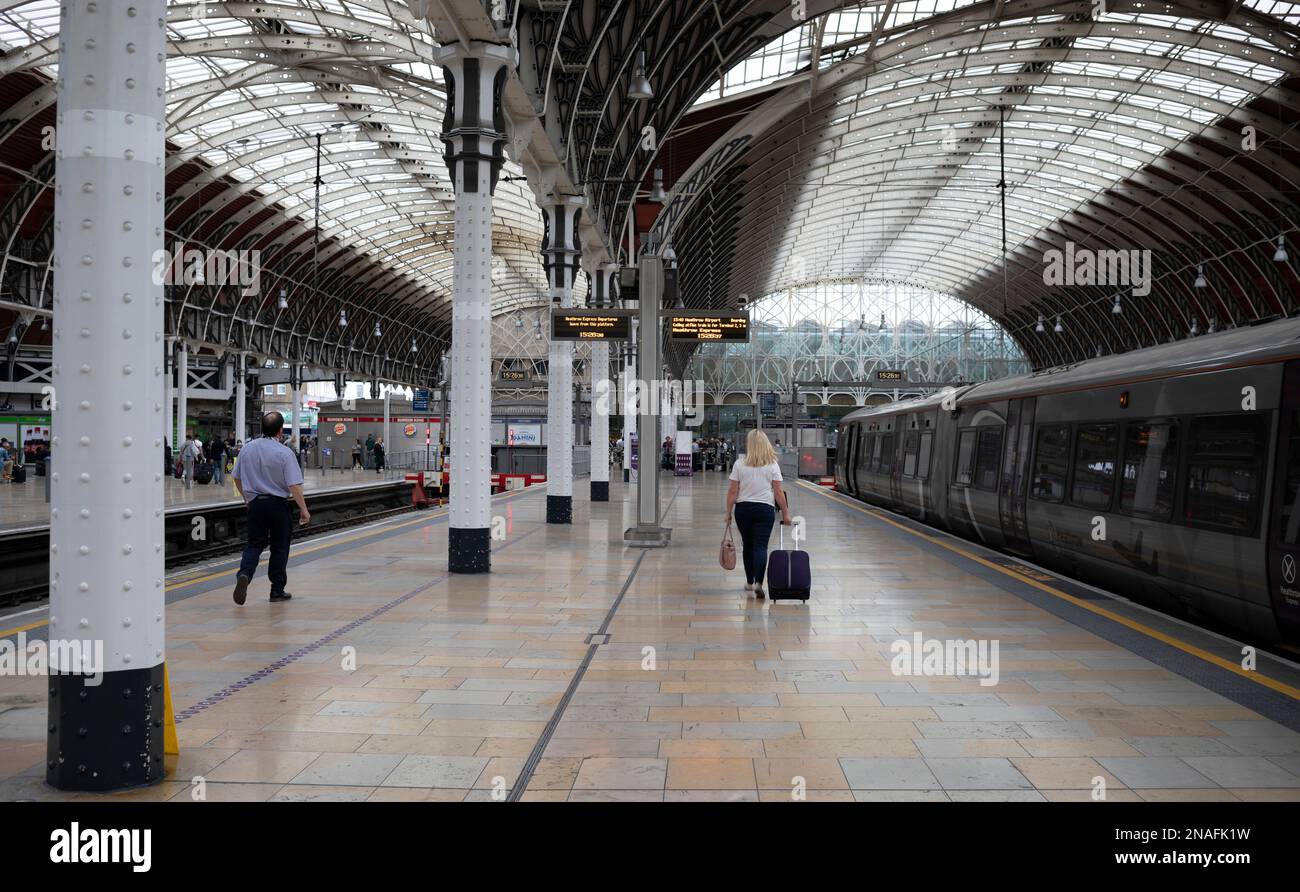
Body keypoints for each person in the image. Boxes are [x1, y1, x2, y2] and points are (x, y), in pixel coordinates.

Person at [231, 412, 310, 605]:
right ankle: (276, 590)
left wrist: (247, 499)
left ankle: (245, 574)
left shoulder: (247, 449)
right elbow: (293, 486)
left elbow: (236, 477)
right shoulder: (284, 452)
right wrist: (304, 510)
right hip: (278, 506)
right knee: (279, 547)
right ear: (280, 430)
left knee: (254, 544)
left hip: (256, 504)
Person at [724, 429, 792, 599]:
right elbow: (778, 492)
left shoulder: (739, 464)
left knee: (748, 545)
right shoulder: (773, 464)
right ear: (765, 444)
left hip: (743, 509)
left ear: (749, 445)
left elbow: (733, 491)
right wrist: (786, 513)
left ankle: (749, 581)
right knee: (760, 547)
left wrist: (728, 512)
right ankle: (759, 584)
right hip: (765, 510)